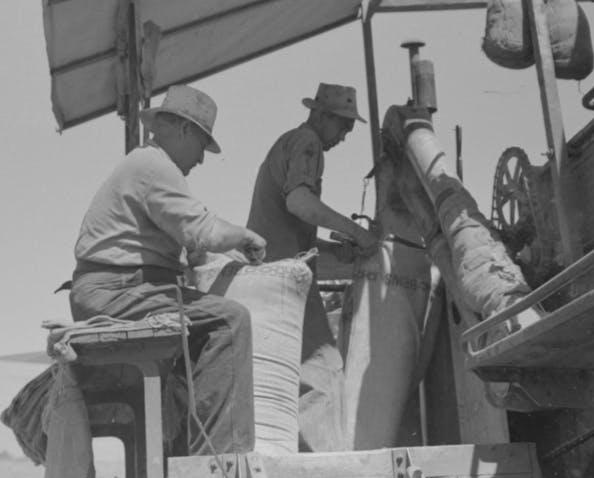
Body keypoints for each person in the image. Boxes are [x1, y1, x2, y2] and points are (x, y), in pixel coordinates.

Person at [69, 84, 266, 457]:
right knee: (230, 321)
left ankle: (183, 451)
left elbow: (184, 240)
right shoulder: (154, 167)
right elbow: (203, 230)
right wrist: (243, 236)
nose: (202, 159)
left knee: (199, 334)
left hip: (121, 288)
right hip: (115, 291)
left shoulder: (147, 166)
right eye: (202, 144)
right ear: (184, 129)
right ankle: (219, 459)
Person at [246, 82, 379, 451]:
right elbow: (300, 203)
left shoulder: (288, 142)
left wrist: (331, 248)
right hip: (284, 282)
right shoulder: (307, 142)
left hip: (272, 275)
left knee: (307, 376)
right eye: (343, 126)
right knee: (323, 372)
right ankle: (327, 468)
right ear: (321, 116)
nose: (345, 136)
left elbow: (287, 229)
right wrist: (355, 231)